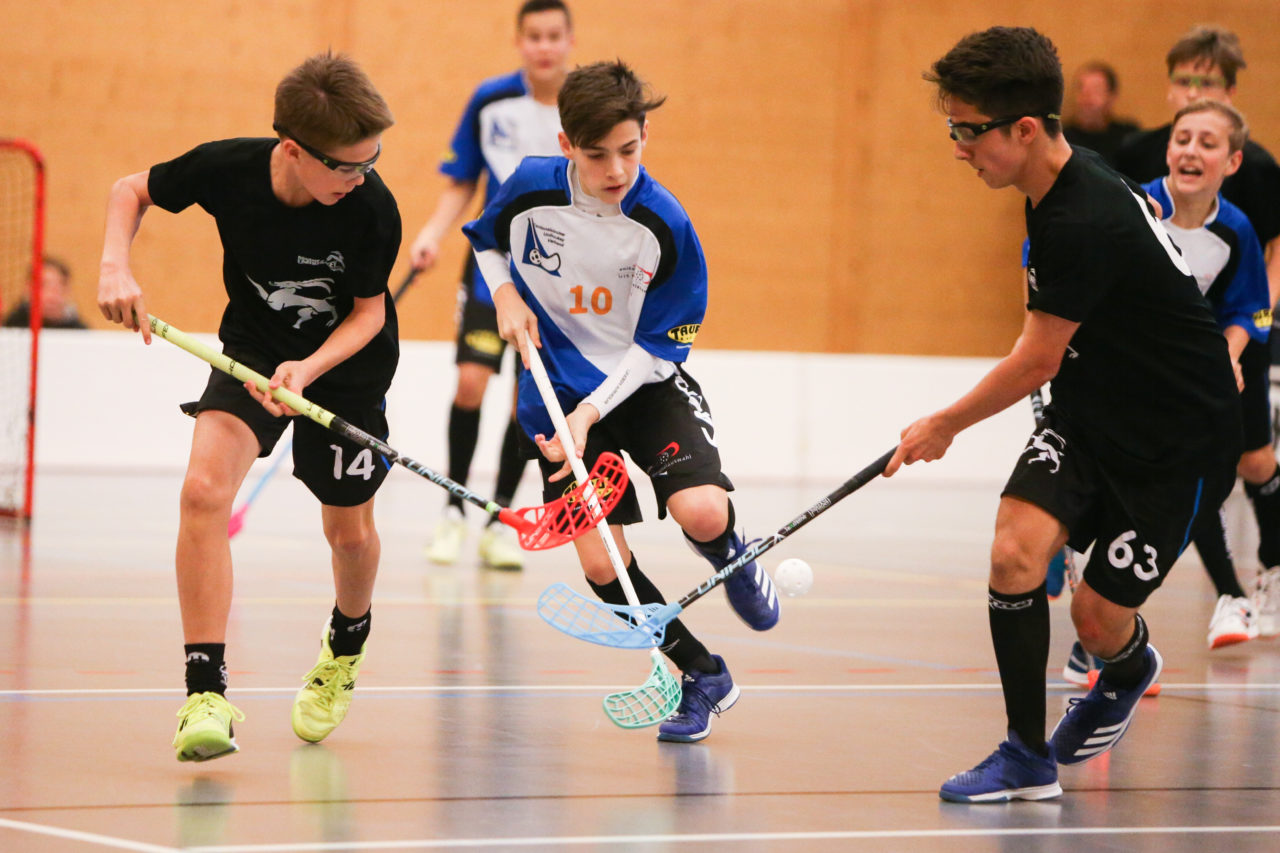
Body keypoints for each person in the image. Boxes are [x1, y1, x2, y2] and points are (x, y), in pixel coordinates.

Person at [889, 26, 1241, 803]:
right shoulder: (1050, 188)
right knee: (1016, 553)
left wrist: (943, 423)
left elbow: (1036, 358)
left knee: (1095, 617)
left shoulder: (1085, 216)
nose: (956, 146)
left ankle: (1129, 665)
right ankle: (1025, 753)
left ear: (1023, 128)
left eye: (966, 129)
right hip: (1090, 414)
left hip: (1174, 443)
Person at [463, 59, 781, 743]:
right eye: (598, 154)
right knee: (603, 562)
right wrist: (507, 295)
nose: (617, 169)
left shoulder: (663, 222)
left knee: (700, 509)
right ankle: (701, 672)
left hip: (640, 384)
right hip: (553, 396)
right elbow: (486, 240)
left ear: (645, 138)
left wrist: (590, 412)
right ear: (566, 146)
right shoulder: (527, 190)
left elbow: (660, 344)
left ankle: (731, 550)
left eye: (630, 150)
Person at [96, 52, 401, 762]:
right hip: (254, 350)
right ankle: (204, 692)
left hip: (345, 367)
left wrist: (310, 368)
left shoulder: (370, 207)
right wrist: (116, 263)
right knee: (203, 491)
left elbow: (366, 315)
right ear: (293, 150)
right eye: (346, 166)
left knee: (349, 536)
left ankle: (345, 644)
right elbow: (128, 190)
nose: (361, 177)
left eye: (370, 161)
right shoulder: (228, 168)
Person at [1114, 24, 1280, 635]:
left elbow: (1264, 259)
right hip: (1166, 348)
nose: (1191, 92)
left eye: (1205, 82)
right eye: (1182, 81)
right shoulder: (1137, 161)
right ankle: (1230, 595)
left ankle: (1272, 563)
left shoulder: (1255, 174)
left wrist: (1239, 336)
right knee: (1197, 460)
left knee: (1255, 460)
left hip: (1239, 327)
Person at [410, 0, 575, 571]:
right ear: (520, 41)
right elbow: (462, 179)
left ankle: (499, 519)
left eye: (554, 35)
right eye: (534, 36)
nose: (544, 46)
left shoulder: (584, 108)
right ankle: (453, 511)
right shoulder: (491, 101)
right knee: (471, 386)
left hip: (552, 278)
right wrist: (432, 233)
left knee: (523, 407)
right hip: (490, 267)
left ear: (569, 41)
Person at [1145, 100, 1271, 647]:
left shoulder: (1237, 230)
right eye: (1183, 138)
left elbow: (1253, 310)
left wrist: (1230, 352)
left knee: (1195, 477)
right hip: (1134, 366)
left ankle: (1233, 597)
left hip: (1195, 370)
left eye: (1207, 143)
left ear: (1232, 163)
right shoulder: (1136, 209)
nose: (1191, 150)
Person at [1061, 61, 1139, 167]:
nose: (1086, 97)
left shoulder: (1128, 138)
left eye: (1096, 90)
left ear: (1111, 97)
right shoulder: (1062, 139)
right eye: (1081, 88)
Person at [2, 255, 87, 329]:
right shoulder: (10, 327)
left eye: (59, 288)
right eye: (44, 286)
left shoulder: (81, 334)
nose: (52, 296)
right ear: (28, 288)